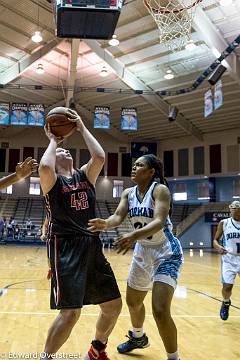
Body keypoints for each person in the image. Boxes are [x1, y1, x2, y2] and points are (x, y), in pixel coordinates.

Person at [38, 107, 122, 360]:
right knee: (70, 312)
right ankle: (46, 357)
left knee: (112, 306)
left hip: (91, 245)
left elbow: (99, 156)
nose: (64, 151)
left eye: (66, 150)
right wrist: (53, 140)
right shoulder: (52, 181)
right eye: (60, 152)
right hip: (64, 246)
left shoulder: (85, 177)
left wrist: (82, 127)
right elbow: (43, 165)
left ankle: (97, 349)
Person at [88, 154, 183, 360]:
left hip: (165, 251)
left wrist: (132, 236)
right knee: (133, 303)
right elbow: (118, 216)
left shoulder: (160, 190)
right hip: (142, 250)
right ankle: (138, 337)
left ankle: (174, 357)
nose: (134, 167)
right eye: (134, 164)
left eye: (139, 165)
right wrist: (105, 223)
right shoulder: (129, 193)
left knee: (159, 309)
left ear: (151, 172)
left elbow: (159, 221)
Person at [213, 200, 240, 321]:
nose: (233, 210)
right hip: (229, 259)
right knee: (227, 287)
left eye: (236, 208)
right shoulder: (224, 223)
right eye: (232, 208)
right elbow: (215, 240)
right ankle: (226, 302)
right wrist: (218, 247)